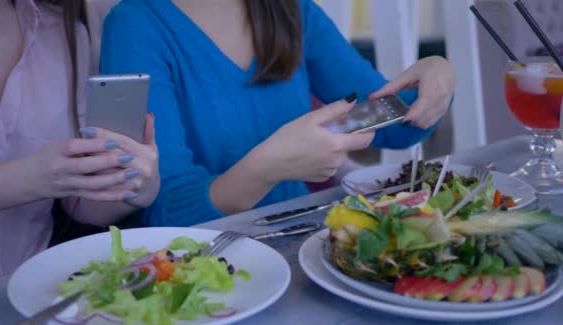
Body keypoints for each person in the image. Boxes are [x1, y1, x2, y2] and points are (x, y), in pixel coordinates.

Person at [100, 0, 455, 227]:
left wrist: (435, 78)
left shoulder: (294, 10)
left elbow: (392, 123)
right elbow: (165, 211)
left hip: (298, 247)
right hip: (196, 272)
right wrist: (266, 169)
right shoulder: (133, 24)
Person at [0, 0, 160, 285]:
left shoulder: (66, 32)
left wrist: (132, 189)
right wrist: (32, 178)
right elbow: (46, 178)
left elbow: (78, 205)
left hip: (36, 290)